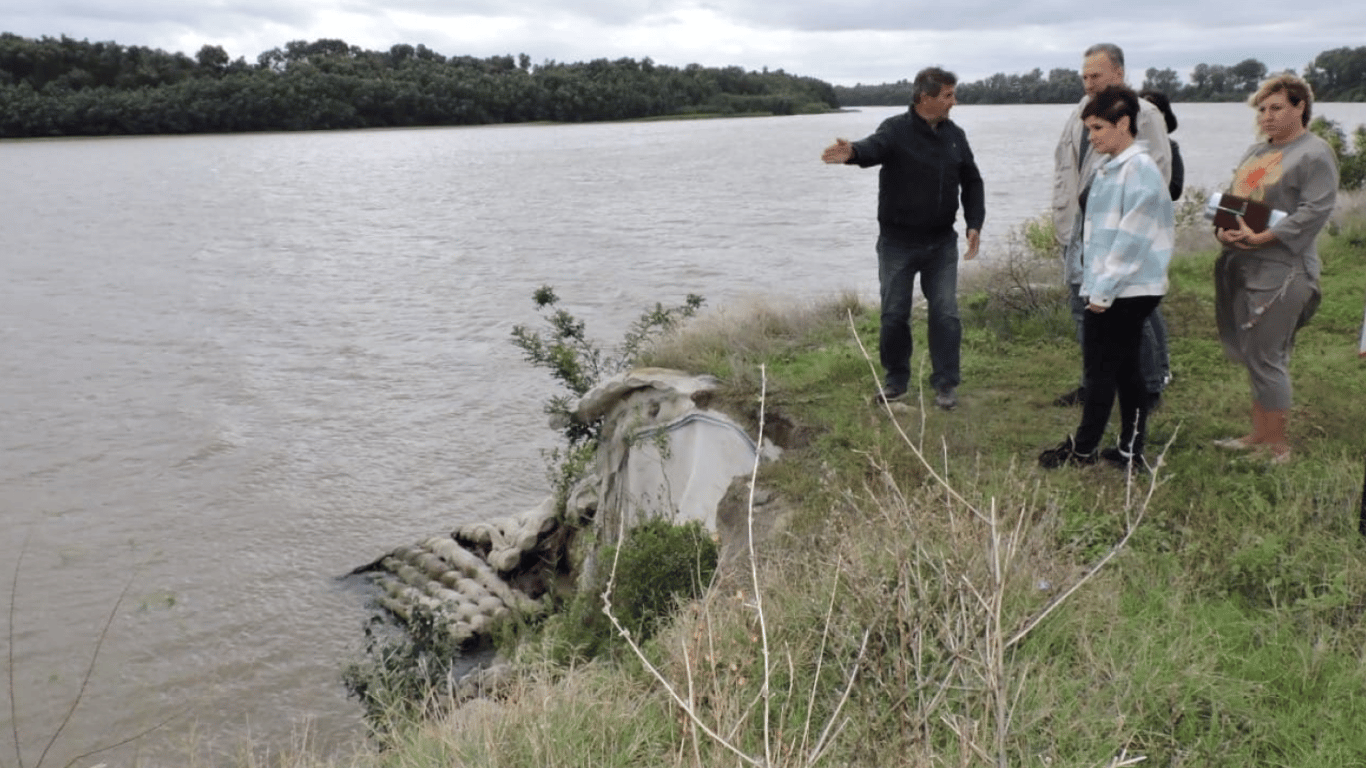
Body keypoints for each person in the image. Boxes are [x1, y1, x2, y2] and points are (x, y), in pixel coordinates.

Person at [821, 66, 983, 411]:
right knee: (894, 314)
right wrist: (852, 152)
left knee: (946, 314)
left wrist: (974, 222)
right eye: (948, 95)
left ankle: (945, 385)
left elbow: (972, 181)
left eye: (953, 94)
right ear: (926, 97)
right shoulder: (895, 130)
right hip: (897, 243)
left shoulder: (956, 136)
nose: (954, 102)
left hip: (941, 243)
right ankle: (896, 381)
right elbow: (872, 148)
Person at [1039, 85, 1174, 471]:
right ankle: (1129, 450)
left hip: (1125, 290)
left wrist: (1101, 291)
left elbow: (1131, 240)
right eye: (1089, 129)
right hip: (1112, 285)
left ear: (1124, 123)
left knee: (1100, 372)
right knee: (1127, 371)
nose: (1092, 136)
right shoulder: (1111, 166)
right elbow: (1100, 233)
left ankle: (1082, 451)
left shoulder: (1140, 171)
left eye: (1098, 128)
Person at [1212, 73, 1338, 464]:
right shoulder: (1256, 151)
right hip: (1244, 263)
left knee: (1268, 354)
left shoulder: (1314, 153)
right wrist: (1225, 231)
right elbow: (1235, 202)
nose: (1267, 116)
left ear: (1300, 106)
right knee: (1253, 350)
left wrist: (1263, 238)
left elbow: (1314, 210)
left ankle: (1278, 446)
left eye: (1276, 107)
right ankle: (1258, 435)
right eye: (1263, 109)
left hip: (1285, 268)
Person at [1052, 44, 1172, 412]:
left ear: (1118, 74)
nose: (1089, 83)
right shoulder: (1081, 112)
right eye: (1085, 76)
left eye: (1096, 76)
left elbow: (1156, 172)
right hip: (1080, 224)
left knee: (1135, 311)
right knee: (1083, 306)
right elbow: (1066, 167)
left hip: (1119, 229)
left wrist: (1133, 228)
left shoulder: (1143, 114)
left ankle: (1148, 387)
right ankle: (1096, 382)